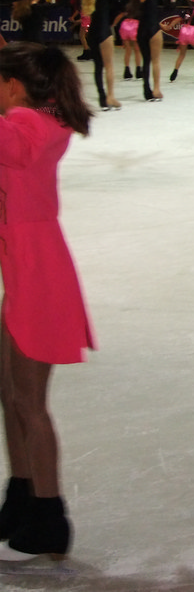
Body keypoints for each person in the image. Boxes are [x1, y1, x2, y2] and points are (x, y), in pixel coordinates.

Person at [0, 42, 96, 562]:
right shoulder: (40, 119)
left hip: (37, 276)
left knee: (29, 403)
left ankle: (49, 514)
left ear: (14, 87)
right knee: (10, 393)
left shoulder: (24, 126)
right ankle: (21, 494)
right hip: (28, 268)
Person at [83, 0, 130, 111]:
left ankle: (102, 98)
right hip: (104, 33)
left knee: (98, 67)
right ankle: (110, 96)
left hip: (92, 34)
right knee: (109, 66)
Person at [130, 0, 179, 101]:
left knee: (146, 61)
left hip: (141, 31)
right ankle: (156, 89)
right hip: (153, 30)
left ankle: (146, 90)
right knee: (156, 60)